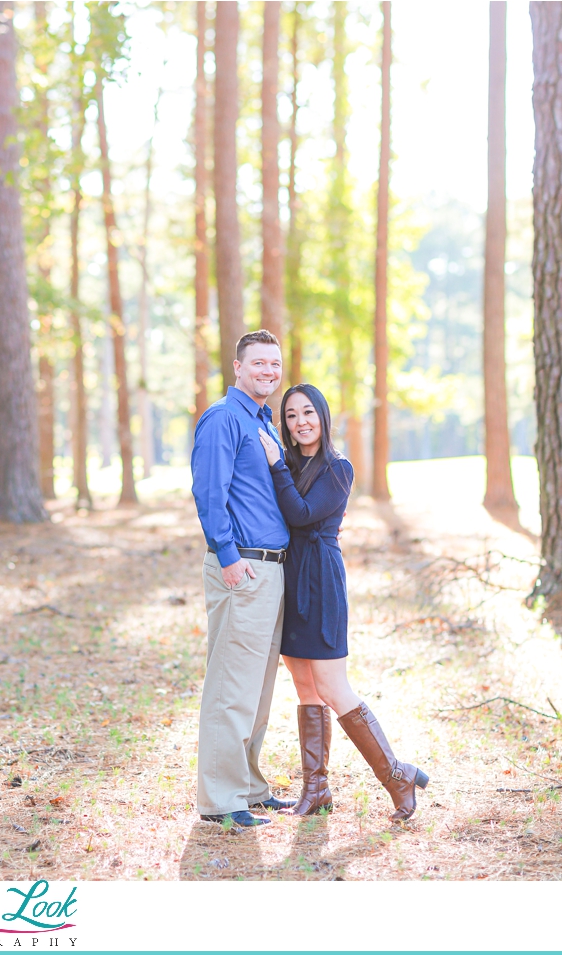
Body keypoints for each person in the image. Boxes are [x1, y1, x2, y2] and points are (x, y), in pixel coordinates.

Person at [258, 383, 429, 822]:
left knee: (333, 687)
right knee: (304, 687)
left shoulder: (338, 468)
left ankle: (397, 775)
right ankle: (316, 789)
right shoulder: (291, 465)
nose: (301, 422)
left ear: (323, 416)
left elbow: (299, 515)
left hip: (320, 580)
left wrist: (276, 464)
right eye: (291, 415)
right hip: (289, 578)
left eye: (308, 412)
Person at [190, 329, 295, 828]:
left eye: (274, 364)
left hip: (271, 569)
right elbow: (210, 494)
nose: (268, 372)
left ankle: (249, 787)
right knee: (231, 686)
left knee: (257, 689)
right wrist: (229, 557)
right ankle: (220, 800)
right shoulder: (222, 419)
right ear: (238, 366)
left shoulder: (264, 422)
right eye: (258, 363)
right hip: (243, 568)